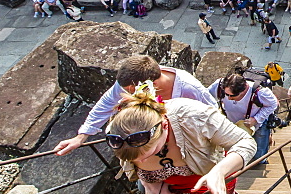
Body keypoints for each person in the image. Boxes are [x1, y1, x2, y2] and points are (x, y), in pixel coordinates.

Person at [106, 85, 256, 194]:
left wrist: (219, 172)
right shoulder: (121, 132)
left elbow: (245, 142)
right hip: (168, 188)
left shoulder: (193, 116)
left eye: (150, 153)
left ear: (164, 125)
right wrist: (148, 183)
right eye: (136, 160)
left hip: (204, 173)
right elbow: (130, 163)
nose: (141, 161)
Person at [54, 55, 217, 155]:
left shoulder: (190, 89)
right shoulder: (128, 84)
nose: (131, 94)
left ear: (152, 83)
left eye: (134, 91)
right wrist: (81, 137)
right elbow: (105, 104)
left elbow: (213, 115)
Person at [208, 73, 281, 164]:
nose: (229, 98)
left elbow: (273, 104)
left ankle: (262, 159)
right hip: (233, 125)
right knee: (235, 150)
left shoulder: (261, 92)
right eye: (227, 94)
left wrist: (256, 119)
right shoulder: (218, 86)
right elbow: (206, 98)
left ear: (245, 88)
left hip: (257, 125)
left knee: (258, 156)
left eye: (233, 95)